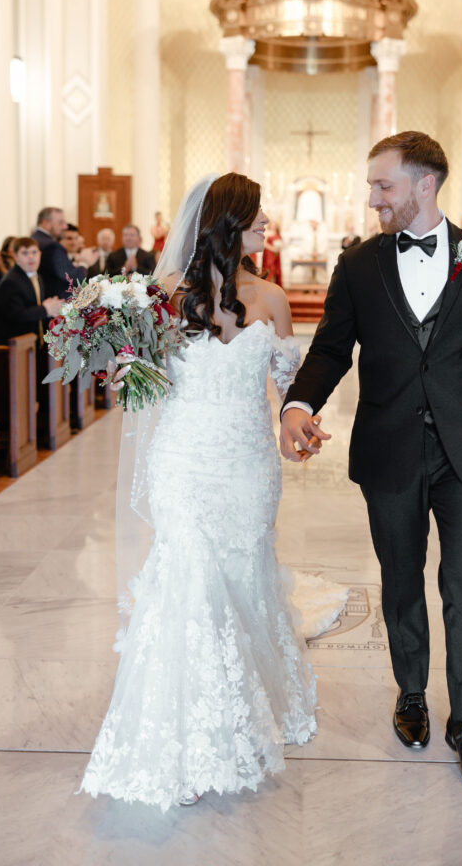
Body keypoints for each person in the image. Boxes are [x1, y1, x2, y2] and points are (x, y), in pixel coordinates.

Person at [279, 131, 462, 799]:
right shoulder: (356, 264)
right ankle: (410, 690)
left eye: (383, 185)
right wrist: (297, 403)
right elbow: (328, 349)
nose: (371, 197)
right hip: (389, 446)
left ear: (423, 184)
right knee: (400, 577)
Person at [79, 173, 346, 811]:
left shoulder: (274, 298)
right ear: (228, 222)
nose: (267, 224)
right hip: (183, 460)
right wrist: (120, 360)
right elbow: (136, 386)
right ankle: (190, 735)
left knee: (243, 571)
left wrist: (298, 422)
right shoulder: (161, 295)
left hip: (248, 464)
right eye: (257, 216)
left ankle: (244, 709)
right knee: (189, 578)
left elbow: (288, 389)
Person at [0, 237, 63, 345]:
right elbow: (17, 315)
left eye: (34, 252)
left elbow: (33, 307)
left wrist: (52, 309)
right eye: (25, 253)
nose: (31, 257)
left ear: (40, 254)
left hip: (30, 342)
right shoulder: (10, 281)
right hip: (6, 344)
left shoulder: (37, 277)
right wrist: (45, 309)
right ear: (15, 256)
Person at [31, 207, 86, 299]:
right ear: (46, 223)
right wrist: (84, 263)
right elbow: (71, 277)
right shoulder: (52, 245)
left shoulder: (35, 238)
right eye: (61, 222)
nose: (65, 226)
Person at [262, 220, 283, 286]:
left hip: (276, 255)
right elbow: (264, 244)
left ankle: (275, 286)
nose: (273, 226)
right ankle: (268, 285)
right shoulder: (267, 233)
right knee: (270, 269)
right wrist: (273, 249)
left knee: (276, 270)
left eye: (275, 225)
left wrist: (279, 248)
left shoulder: (278, 233)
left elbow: (281, 243)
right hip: (269, 254)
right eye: (272, 225)